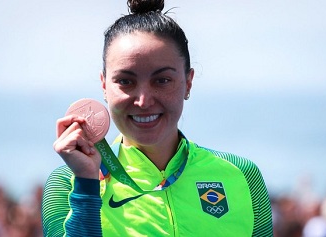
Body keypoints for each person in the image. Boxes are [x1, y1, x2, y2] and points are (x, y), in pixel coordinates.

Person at [41, 0, 273, 236]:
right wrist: (86, 185)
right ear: (104, 85)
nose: (143, 101)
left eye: (162, 80)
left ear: (188, 82)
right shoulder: (68, 183)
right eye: (125, 81)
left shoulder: (242, 175)